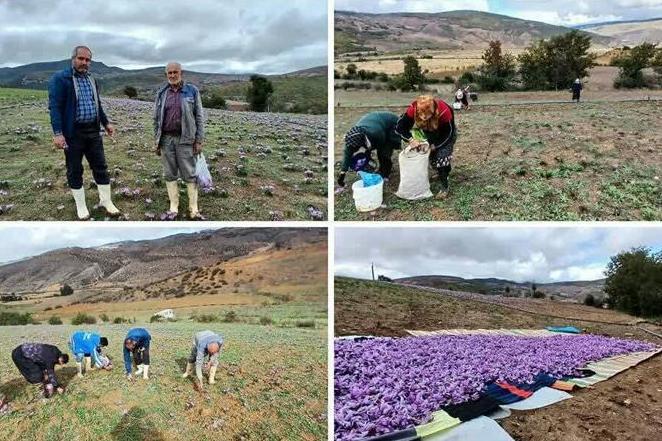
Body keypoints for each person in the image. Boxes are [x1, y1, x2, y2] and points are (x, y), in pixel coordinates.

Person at [48, 45, 120, 220]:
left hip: (93, 132)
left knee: (101, 166)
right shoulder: (61, 79)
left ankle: (106, 200)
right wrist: (58, 133)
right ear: (73, 59)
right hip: (73, 133)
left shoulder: (91, 80)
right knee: (74, 169)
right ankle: (81, 206)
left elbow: (98, 105)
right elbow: (55, 107)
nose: (84, 62)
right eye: (81, 59)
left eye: (88, 60)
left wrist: (106, 123)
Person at [153, 62, 205, 220]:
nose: (172, 75)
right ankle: (173, 206)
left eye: (175, 72)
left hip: (186, 139)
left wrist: (199, 140)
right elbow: (156, 118)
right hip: (166, 139)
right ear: (166, 74)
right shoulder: (162, 93)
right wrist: (157, 140)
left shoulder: (192, 91)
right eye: (169, 73)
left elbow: (199, 116)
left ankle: (193, 208)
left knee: (189, 173)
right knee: (169, 173)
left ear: (181, 73)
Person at [396, 95, 457, 198]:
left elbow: (448, 133)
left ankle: (444, 187)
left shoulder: (444, 111)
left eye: (426, 114)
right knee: (432, 157)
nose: (423, 117)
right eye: (420, 113)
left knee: (442, 157)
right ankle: (443, 171)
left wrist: (435, 146)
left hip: (444, 134)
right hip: (429, 132)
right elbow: (400, 127)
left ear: (432, 110)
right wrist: (411, 140)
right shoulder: (413, 109)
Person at [337, 112, 402, 188]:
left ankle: (385, 174)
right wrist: (342, 173)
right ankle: (381, 170)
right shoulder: (352, 139)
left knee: (384, 153)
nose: (354, 149)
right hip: (376, 122)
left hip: (391, 124)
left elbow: (381, 145)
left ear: (362, 142)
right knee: (370, 153)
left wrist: (367, 153)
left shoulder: (375, 133)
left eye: (357, 147)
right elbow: (347, 155)